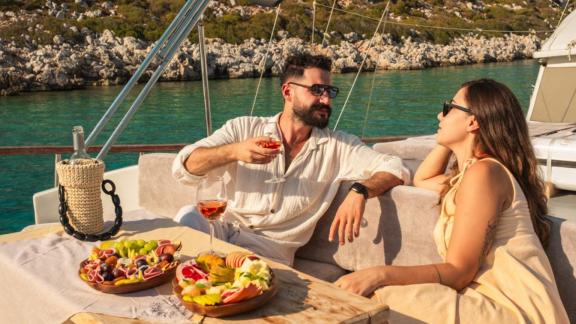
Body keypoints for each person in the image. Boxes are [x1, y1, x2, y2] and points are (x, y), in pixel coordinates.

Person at [335, 79, 569, 323]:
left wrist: (378, 273)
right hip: (488, 299)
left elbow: (459, 273)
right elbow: (423, 178)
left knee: (379, 297)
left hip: (515, 309)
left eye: (449, 107)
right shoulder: (469, 175)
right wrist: (448, 139)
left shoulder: (485, 174)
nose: (439, 114)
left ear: (473, 121)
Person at [172, 53, 409, 266]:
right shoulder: (243, 128)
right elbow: (184, 166)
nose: (326, 100)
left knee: (227, 279)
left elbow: (395, 167)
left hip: (268, 253)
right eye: (317, 90)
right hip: (223, 230)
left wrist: (360, 190)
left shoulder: (339, 146)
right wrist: (234, 152)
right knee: (188, 216)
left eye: (329, 91)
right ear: (288, 92)